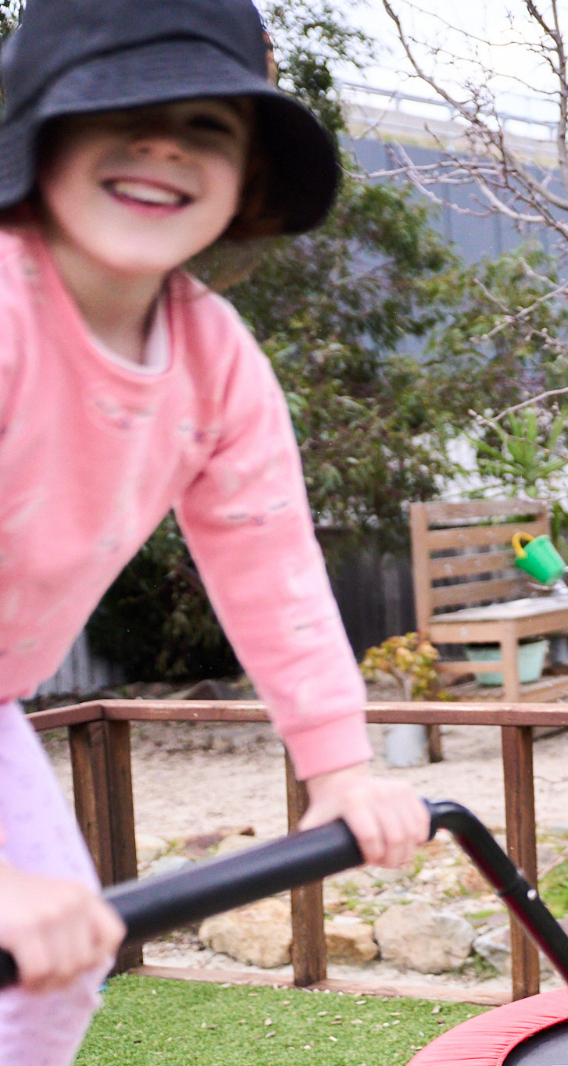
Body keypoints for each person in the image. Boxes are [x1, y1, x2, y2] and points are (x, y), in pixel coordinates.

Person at [0, 2, 431, 1062]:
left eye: (206, 124)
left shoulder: (214, 356)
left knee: (55, 975)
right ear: (37, 133)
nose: (162, 144)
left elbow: (272, 562)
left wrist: (339, 769)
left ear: (247, 179)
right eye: (121, 110)